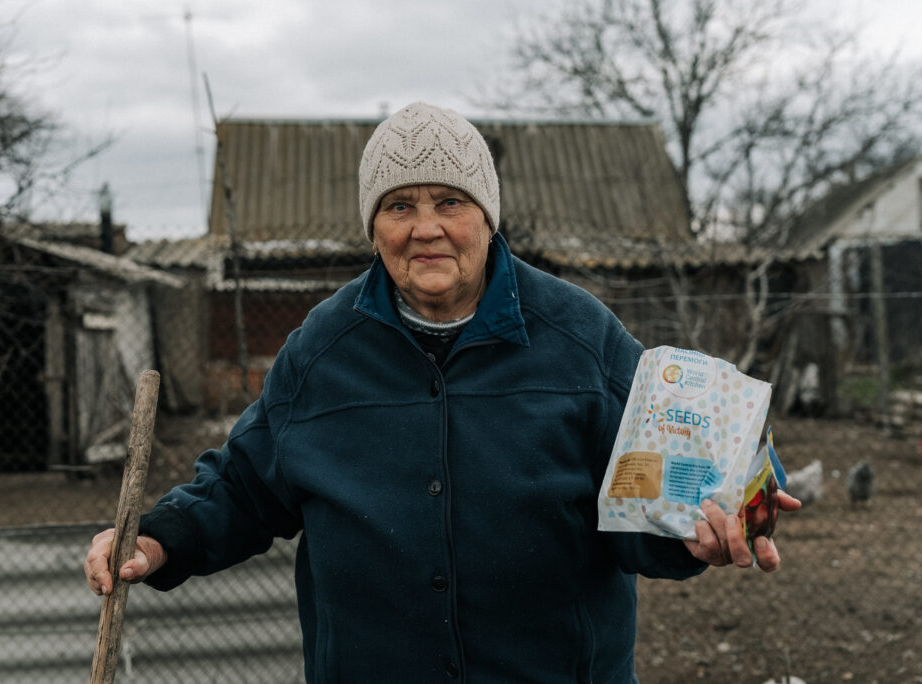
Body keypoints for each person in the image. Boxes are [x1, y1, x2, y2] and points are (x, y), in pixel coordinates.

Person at [84, 101, 801, 682]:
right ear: (374, 228)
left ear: (487, 216)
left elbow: (656, 485)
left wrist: (726, 518)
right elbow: (245, 485)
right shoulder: (323, 350)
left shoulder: (580, 339)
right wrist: (158, 537)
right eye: (398, 206)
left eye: (449, 201)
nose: (425, 228)